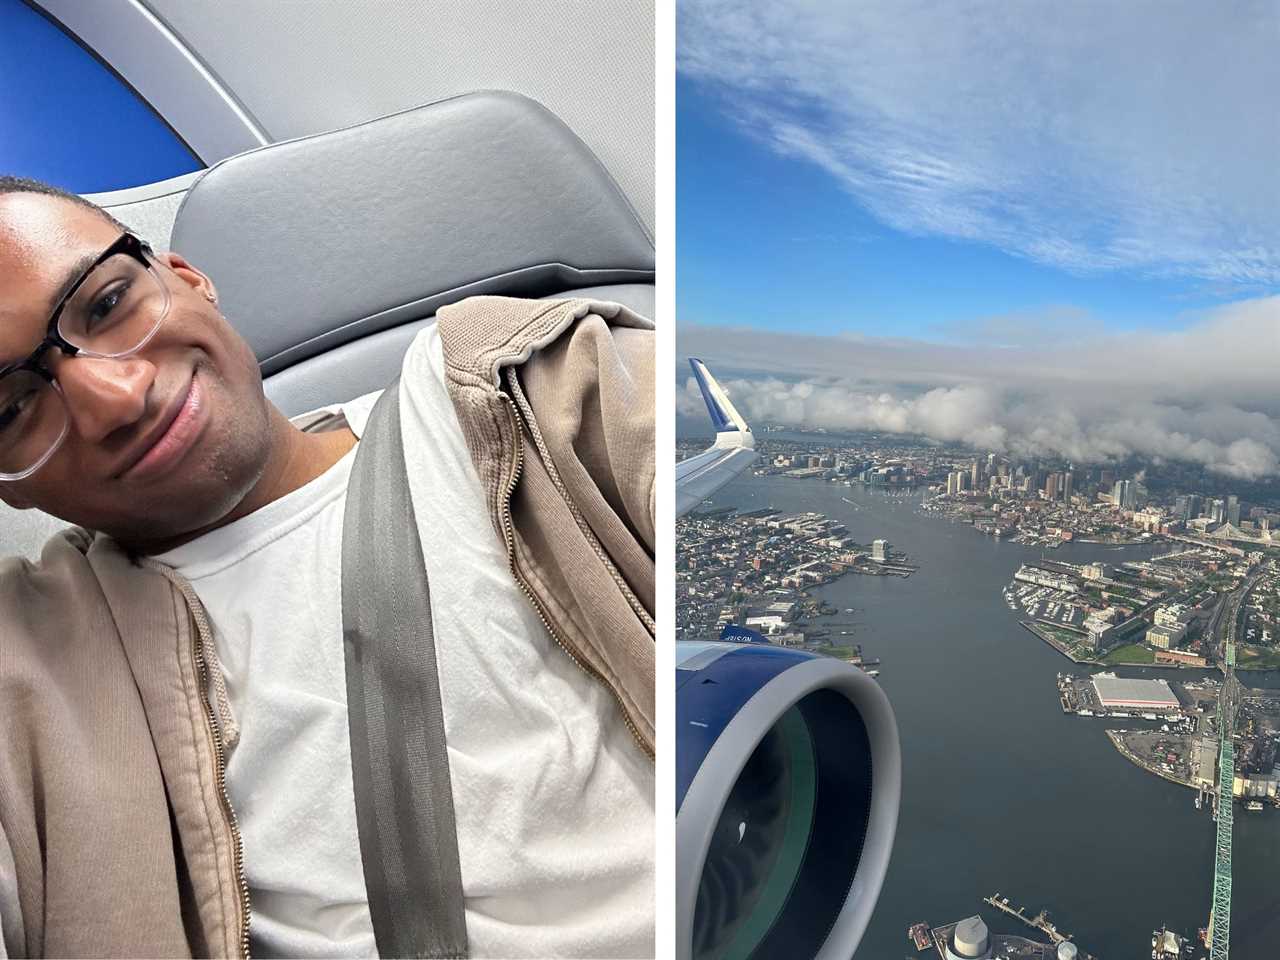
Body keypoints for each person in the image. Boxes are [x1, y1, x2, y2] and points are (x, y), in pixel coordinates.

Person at [0, 177, 655, 959]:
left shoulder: (527, 388)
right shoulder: (28, 665)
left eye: (106, 306)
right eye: (9, 409)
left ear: (184, 277)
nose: (116, 397)